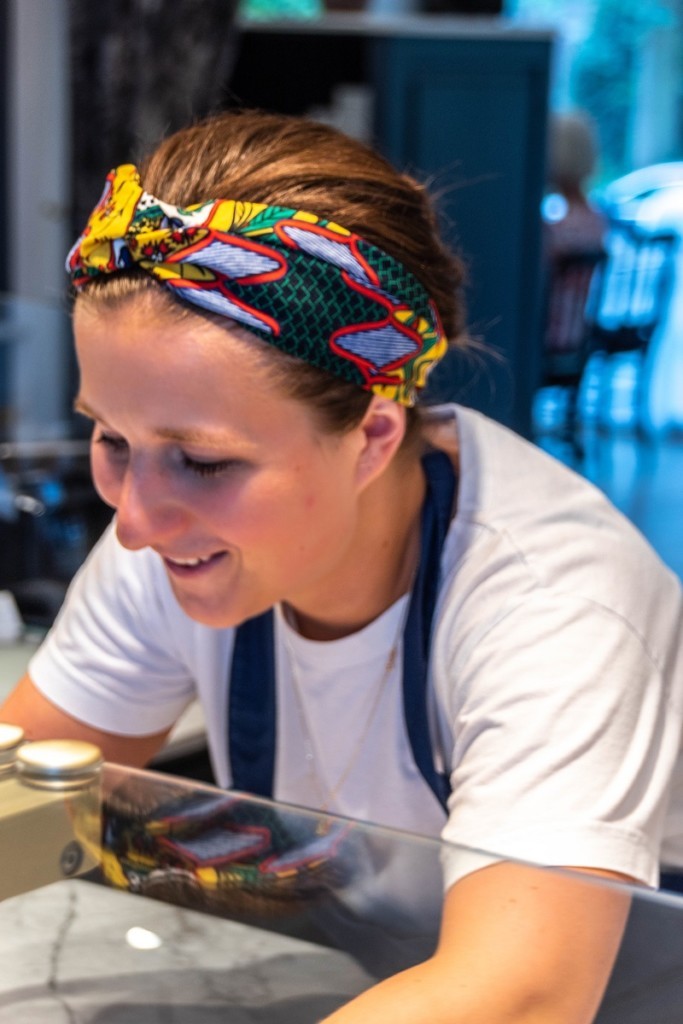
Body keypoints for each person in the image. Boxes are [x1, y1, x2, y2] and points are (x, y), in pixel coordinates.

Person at [2, 108, 683, 1023]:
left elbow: (525, 992)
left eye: (203, 460)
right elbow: (27, 800)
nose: (133, 523)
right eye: (110, 437)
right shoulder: (180, 534)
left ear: (370, 436)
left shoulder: (554, 605)